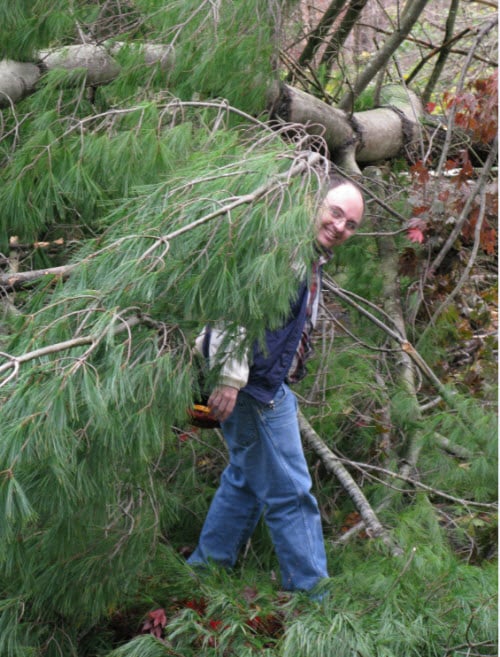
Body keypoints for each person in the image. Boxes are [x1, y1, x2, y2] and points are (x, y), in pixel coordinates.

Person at [188, 174, 365, 595]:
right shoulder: (281, 249)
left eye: (351, 224)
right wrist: (228, 378)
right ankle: (312, 596)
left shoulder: (308, 257)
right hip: (251, 388)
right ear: (314, 203)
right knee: (291, 493)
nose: (340, 226)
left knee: (246, 481)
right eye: (335, 212)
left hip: (266, 385)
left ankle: (205, 572)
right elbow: (234, 308)